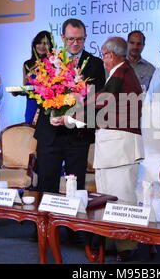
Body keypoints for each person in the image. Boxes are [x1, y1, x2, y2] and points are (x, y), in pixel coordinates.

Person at [34, 19, 106, 194]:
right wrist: (51, 108)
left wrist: (73, 117)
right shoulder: (49, 61)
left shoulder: (95, 64)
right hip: (50, 133)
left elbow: (96, 99)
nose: (75, 43)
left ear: (86, 38)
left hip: (77, 136)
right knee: (46, 185)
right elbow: (40, 93)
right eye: (70, 39)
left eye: (79, 39)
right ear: (62, 37)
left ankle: (70, 222)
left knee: (75, 187)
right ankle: (44, 222)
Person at [93, 36, 144, 262]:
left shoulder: (122, 72)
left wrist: (72, 112)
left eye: (103, 55)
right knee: (108, 195)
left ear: (111, 55)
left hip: (120, 145)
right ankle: (113, 239)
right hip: (112, 144)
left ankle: (126, 243)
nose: (103, 60)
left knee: (122, 196)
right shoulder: (120, 72)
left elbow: (105, 100)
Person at [21, 31, 54, 124]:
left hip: (47, 107)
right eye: (39, 43)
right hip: (31, 105)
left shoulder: (54, 63)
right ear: (35, 44)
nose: (42, 46)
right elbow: (25, 87)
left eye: (46, 43)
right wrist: (17, 92)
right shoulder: (27, 64)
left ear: (51, 46)